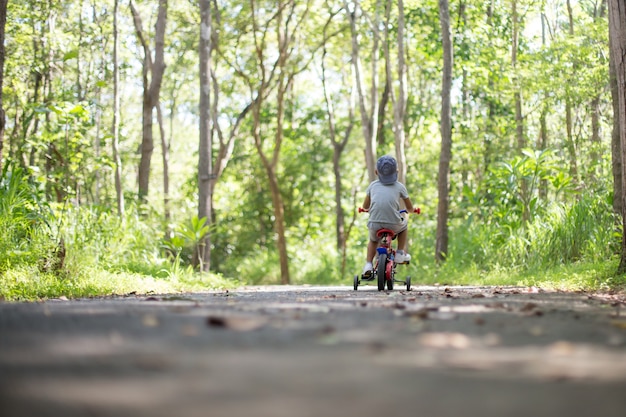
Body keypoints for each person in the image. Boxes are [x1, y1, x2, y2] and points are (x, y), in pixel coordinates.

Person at [362, 155, 415, 276]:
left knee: (373, 240)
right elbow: (409, 207)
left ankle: (368, 264)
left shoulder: (372, 186)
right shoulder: (400, 187)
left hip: (375, 222)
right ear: (397, 172)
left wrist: (365, 209)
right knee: (404, 226)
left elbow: (365, 206)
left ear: (376, 172)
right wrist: (412, 210)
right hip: (394, 223)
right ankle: (400, 253)